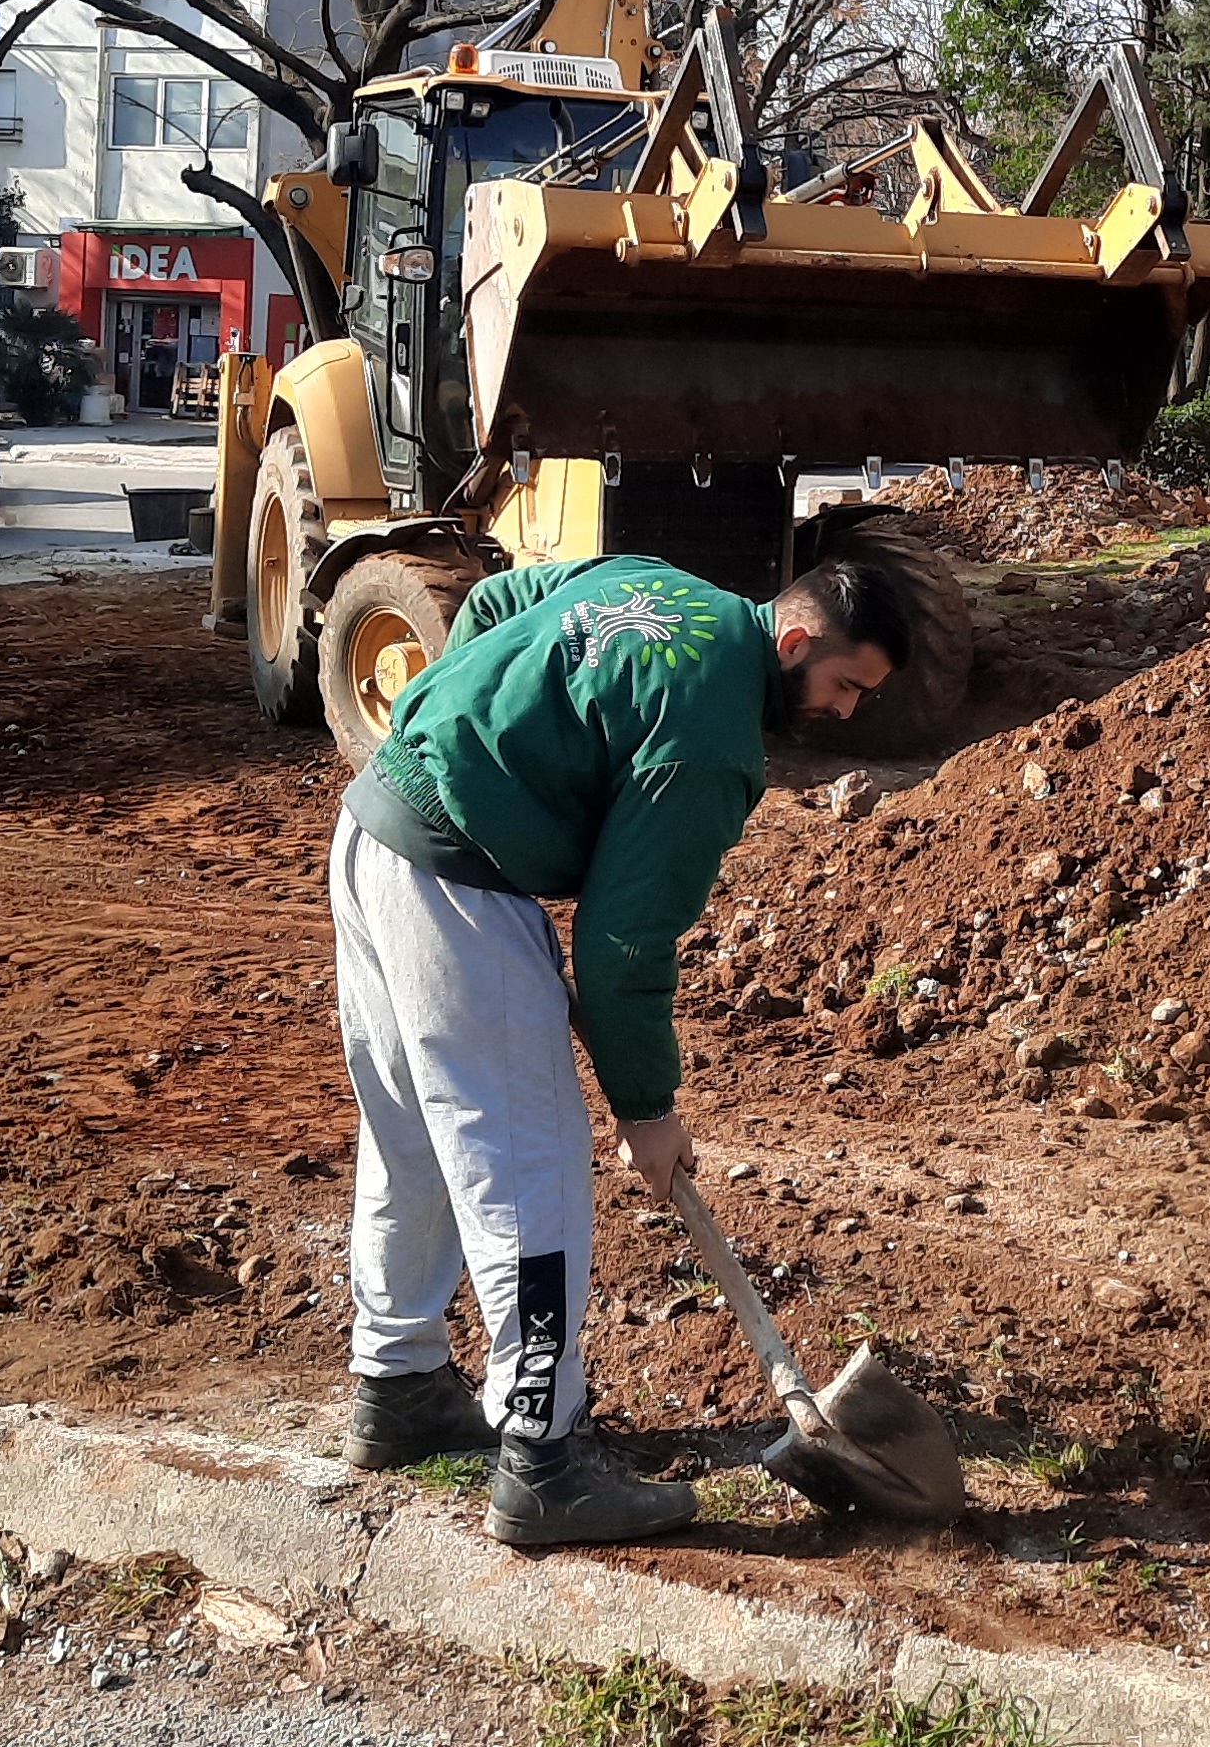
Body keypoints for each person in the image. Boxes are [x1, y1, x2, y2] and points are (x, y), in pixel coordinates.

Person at [327, 549, 908, 1548]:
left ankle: (399, 1387)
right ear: (797, 641)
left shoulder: (662, 579)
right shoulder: (713, 738)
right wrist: (647, 1110)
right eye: (845, 686)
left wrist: (464, 727)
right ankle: (544, 1463)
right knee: (532, 1177)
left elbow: (506, 600)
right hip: (460, 885)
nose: (847, 713)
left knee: (413, 1141)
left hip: (374, 827)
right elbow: (624, 941)